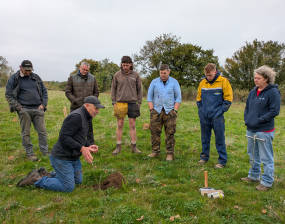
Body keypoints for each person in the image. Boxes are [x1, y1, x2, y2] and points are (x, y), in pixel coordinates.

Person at [17, 96, 105, 192]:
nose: (98, 111)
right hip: (62, 157)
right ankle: (37, 179)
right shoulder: (76, 117)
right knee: (68, 187)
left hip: (73, 157)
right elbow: (64, 137)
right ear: (87, 105)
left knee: (78, 181)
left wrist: (88, 146)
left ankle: (47, 174)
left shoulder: (87, 117)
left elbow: (80, 136)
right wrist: (81, 148)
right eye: (96, 108)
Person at [241, 65, 280, 191]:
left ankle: (267, 182)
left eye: (258, 78)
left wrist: (260, 120)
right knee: (252, 154)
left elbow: (274, 111)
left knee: (266, 157)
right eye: (255, 78)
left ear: (266, 79)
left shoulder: (273, 92)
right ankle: (253, 176)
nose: (255, 80)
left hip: (264, 130)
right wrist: (247, 119)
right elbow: (247, 107)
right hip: (251, 128)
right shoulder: (253, 91)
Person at [5, 60, 48, 161]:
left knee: (42, 132)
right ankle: (30, 154)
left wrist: (43, 104)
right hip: (24, 110)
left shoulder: (36, 77)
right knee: (26, 133)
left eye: (30, 70)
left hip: (38, 109)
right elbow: (8, 95)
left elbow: (44, 91)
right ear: (21, 67)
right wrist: (19, 108)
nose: (28, 72)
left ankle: (45, 152)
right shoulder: (14, 78)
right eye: (26, 70)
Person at [196, 63, 233, 168]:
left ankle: (222, 161)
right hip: (204, 117)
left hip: (217, 117)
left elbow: (228, 100)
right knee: (205, 138)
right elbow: (198, 99)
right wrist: (201, 111)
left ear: (215, 72)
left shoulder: (223, 82)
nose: (208, 77)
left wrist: (219, 112)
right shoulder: (202, 83)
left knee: (220, 138)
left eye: (210, 75)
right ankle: (204, 157)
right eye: (206, 75)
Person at [147, 64, 181, 161]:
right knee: (154, 132)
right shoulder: (154, 82)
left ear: (168, 72)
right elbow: (149, 97)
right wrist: (151, 109)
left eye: (164, 73)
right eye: (161, 73)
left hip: (170, 111)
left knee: (170, 132)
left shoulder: (174, 82)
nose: (163, 75)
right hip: (156, 111)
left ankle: (169, 153)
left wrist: (175, 110)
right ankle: (155, 151)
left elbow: (178, 98)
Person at [111, 56, 142, 155]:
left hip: (133, 103)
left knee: (132, 125)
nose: (125, 67)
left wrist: (139, 102)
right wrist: (114, 102)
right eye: (123, 65)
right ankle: (118, 147)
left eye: (127, 65)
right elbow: (113, 89)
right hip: (120, 103)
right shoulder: (117, 75)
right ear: (121, 64)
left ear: (131, 64)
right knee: (120, 124)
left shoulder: (136, 75)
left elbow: (140, 89)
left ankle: (134, 146)